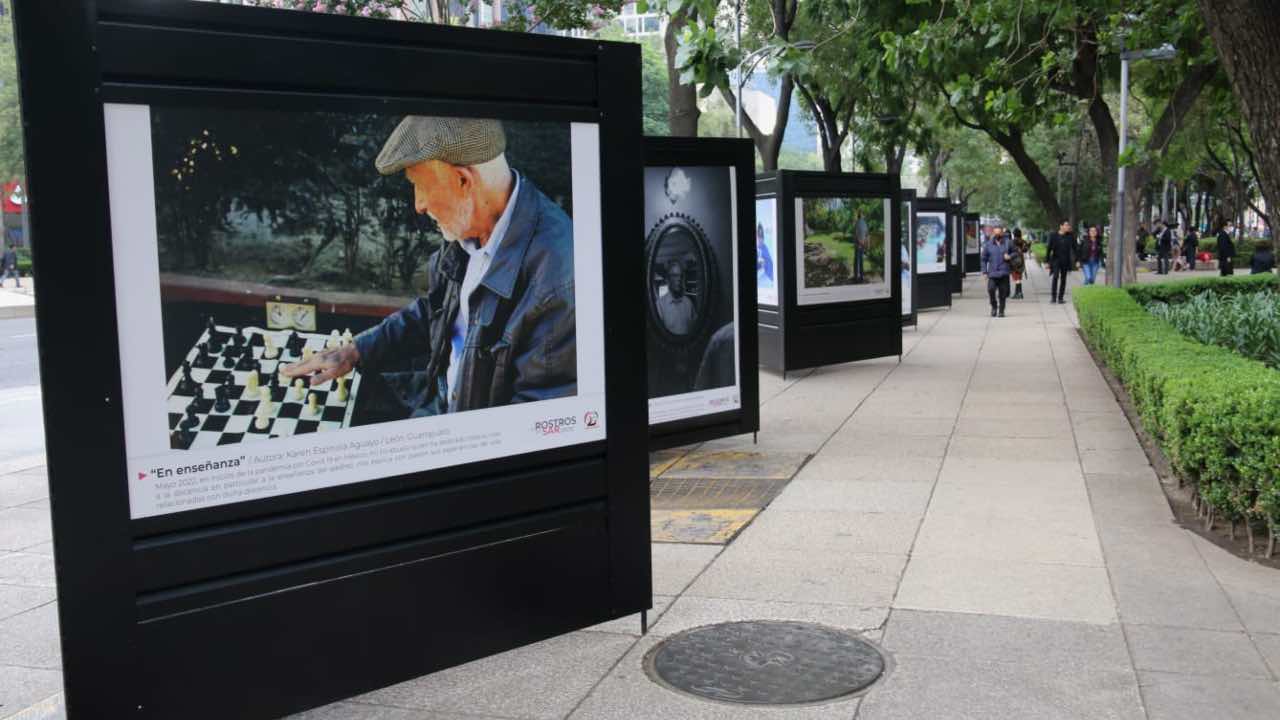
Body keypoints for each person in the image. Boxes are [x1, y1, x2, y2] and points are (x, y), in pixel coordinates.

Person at [284, 116, 575, 417]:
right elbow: (435, 311)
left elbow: (533, 425)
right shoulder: (471, 224)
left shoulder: (559, 280)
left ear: (464, 181)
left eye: (420, 186)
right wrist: (356, 350)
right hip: (435, 399)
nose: (418, 205)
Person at [981, 226, 1014, 317]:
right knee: (991, 289)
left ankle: (1001, 311)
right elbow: (983, 259)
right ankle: (994, 306)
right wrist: (984, 272)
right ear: (993, 234)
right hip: (992, 273)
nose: (997, 235)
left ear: (1002, 234)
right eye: (995, 233)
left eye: (999, 233)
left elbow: (1016, 252)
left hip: (1004, 272)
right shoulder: (988, 245)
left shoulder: (1008, 243)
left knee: (1002, 293)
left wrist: (1010, 256)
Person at [656, 260, 695, 334]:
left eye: (681, 276)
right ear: (668, 280)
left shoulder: (688, 303)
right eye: (675, 275)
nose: (679, 279)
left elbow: (695, 328)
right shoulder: (660, 305)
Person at [1045, 220, 1076, 304]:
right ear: (1061, 226)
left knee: (1063, 279)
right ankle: (1053, 297)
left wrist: (1077, 260)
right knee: (1055, 277)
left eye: (1068, 225)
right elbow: (1049, 249)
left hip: (1065, 260)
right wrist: (1047, 261)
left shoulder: (1070, 236)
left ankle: (1060, 298)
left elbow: (1075, 248)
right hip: (1055, 259)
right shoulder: (1053, 235)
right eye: (1066, 225)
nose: (1068, 227)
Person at [1011, 228, 1029, 299]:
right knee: (1018, 276)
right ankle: (1018, 293)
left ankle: (1018, 293)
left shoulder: (1013, 241)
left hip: (1015, 260)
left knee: (1016, 277)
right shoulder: (1022, 241)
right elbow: (1025, 249)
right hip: (1021, 260)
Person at [853, 210, 869, 282]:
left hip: (859, 244)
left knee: (857, 260)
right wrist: (865, 243)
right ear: (861, 215)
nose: (863, 215)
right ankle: (860, 277)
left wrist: (862, 243)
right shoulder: (863, 223)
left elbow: (857, 235)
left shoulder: (859, 223)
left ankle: (858, 277)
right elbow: (866, 235)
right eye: (863, 214)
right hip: (860, 244)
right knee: (860, 260)